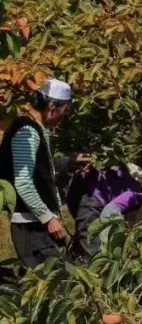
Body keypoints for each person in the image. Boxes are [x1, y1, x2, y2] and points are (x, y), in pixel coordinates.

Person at [0, 79, 75, 267]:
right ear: (52, 106)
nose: (62, 119)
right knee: (58, 285)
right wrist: (48, 218)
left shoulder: (36, 128)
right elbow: (23, 181)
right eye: (64, 112)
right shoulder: (27, 131)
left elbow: (41, 170)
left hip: (36, 224)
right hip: (31, 227)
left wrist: (70, 163)